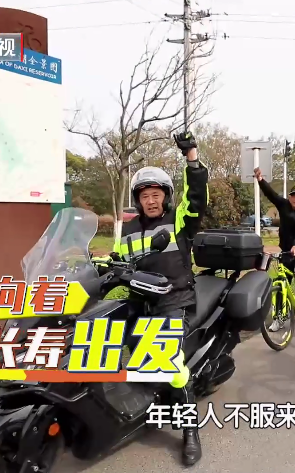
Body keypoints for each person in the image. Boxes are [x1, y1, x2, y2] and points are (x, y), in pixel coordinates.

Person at [114, 131, 207, 465]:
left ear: (166, 197)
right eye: (145, 196)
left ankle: (190, 430)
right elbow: (116, 259)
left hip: (173, 300)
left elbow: (196, 198)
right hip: (139, 301)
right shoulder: (128, 229)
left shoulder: (178, 220)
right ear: (138, 200)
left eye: (156, 195)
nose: (151, 201)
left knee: (171, 363)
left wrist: (191, 158)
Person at [255, 167, 295, 326]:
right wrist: (260, 180)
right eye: (293, 196)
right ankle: (279, 317)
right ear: (289, 197)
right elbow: (271, 194)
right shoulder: (284, 205)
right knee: (281, 280)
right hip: (286, 251)